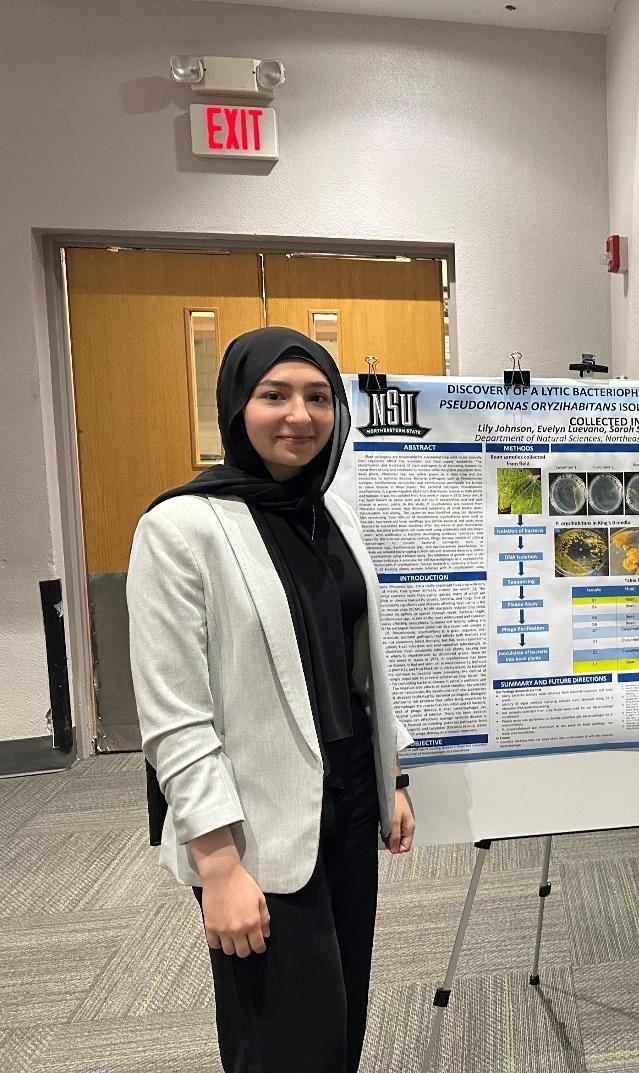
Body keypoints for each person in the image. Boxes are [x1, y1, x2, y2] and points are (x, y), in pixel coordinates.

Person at [129, 326, 417, 1073]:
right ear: (236, 405)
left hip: (351, 799)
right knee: (287, 1044)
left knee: (342, 1018)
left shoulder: (333, 515)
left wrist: (395, 775)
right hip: (254, 822)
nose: (300, 415)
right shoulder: (181, 527)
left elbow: (361, 663)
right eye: (274, 395)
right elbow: (174, 716)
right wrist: (218, 865)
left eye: (318, 397)